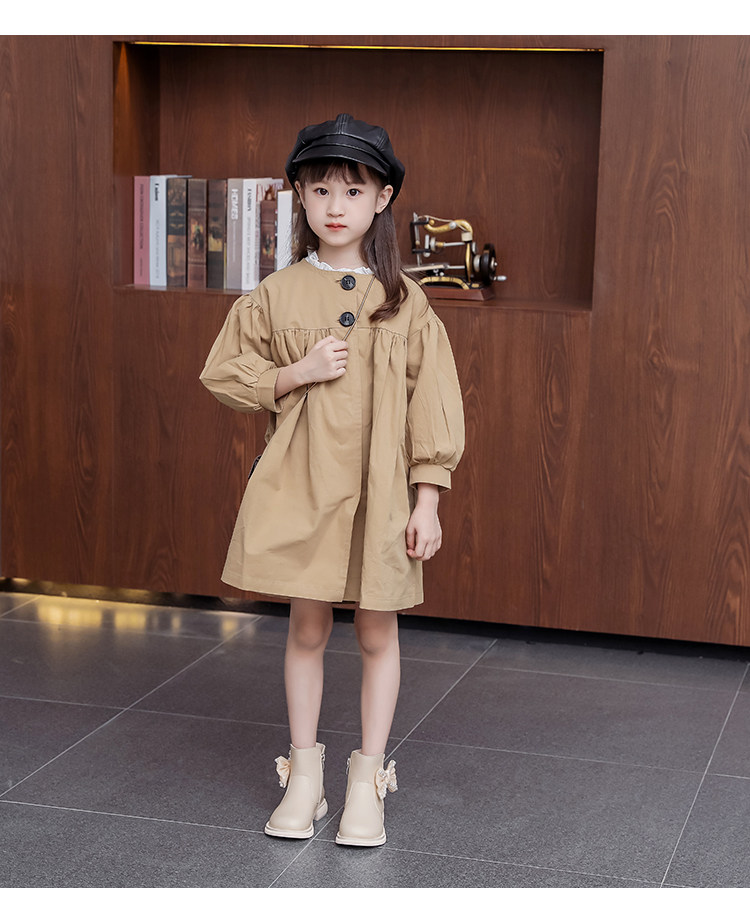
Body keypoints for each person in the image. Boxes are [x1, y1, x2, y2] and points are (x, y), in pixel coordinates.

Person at [199, 113, 464, 847]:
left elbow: (433, 404)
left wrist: (427, 499)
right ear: (300, 197)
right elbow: (223, 372)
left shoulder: (405, 300)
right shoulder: (277, 293)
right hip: (306, 484)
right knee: (308, 626)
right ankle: (304, 778)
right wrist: (296, 372)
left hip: (381, 493)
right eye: (320, 189)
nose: (336, 205)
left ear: (383, 198)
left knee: (377, 627)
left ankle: (367, 780)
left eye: (353, 189)